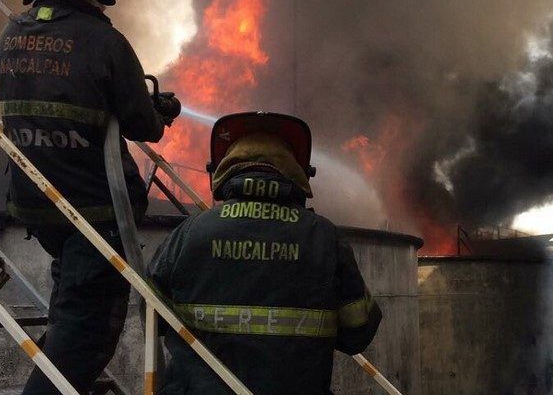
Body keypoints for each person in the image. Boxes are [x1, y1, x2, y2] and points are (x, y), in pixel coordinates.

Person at [0, 0, 173, 394]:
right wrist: (160, 112)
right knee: (89, 333)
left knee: (72, 306)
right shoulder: (105, 42)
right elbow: (144, 125)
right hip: (95, 210)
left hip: (37, 204)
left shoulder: (11, 35)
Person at [148, 112, 382, 395]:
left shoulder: (189, 233)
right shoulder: (324, 238)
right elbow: (359, 332)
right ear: (298, 172)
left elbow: (152, 316)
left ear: (223, 171)